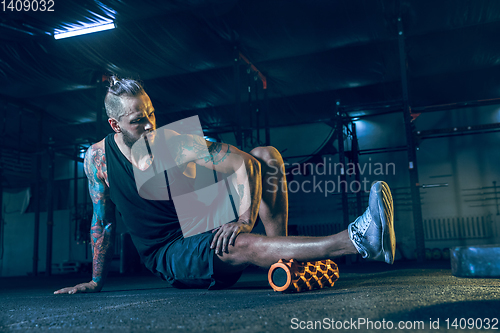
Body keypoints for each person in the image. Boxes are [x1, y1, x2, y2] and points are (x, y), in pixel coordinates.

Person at [54, 76, 395, 294]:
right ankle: (357, 240)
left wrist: (244, 216)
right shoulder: (96, 159)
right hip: (169, 251)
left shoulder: (169, 141)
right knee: (239, 242)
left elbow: (245, 163)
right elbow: (103, 221)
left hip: (196, 221)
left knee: (266, 155)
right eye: (137, 120)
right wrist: (95, 280)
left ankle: (284, 263)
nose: (149, 125)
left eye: (151, 113)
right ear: (115, 125)